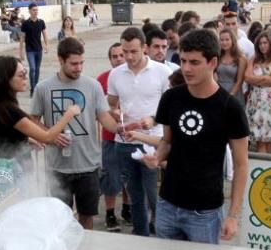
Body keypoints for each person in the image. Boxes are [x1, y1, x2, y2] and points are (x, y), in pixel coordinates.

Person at [138, 27, 249, 245]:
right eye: (184, 61)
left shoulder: (230, 107)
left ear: (213, 62)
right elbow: (167, 142)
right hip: (167, 204)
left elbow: (242, 165)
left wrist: (233, 215)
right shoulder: (171, 98)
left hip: (204, 212)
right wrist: (157, 157)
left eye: (195, 62)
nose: (187, 68)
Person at [31, 38, 119, 229]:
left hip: (88, 166)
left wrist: (122, 128)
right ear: (60, 61)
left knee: (87, 217)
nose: (79, 68)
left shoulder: (93, 85)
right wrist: (51, 135)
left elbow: (104, 119)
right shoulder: (43, 88)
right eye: (73, 63)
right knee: (60, 219)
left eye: (81, 63)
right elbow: (33, 122)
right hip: (57, 168)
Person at [106, 27, 172, 236]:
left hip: (153, 142)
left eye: (133, 51)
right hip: (124, 142)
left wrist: (153, 119)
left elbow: (171, 107)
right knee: (134, 196)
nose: (128, 56)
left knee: (154, 195)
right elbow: (112, 104)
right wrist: (116, 112)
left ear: (144, 48)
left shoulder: (163, 72)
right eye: (125, 51)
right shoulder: (116, 74)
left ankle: (162, 235)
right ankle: (141, 235)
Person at [0, 55, 79, 184]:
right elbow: (47, 137)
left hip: (4, 169)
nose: (26, 78)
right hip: (18, 169)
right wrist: (68, 114)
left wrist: (24, 139)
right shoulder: (11, 110)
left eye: (25, 73)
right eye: (21, 75)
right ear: (6, 79)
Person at [97, 43, 131, 231]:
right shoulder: (101, 80)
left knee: (129, 177)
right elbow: (97, 109)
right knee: (110, 177)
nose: (118, 59)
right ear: (110, 59)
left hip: (131, 135)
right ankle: (110, 213)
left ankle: (127, 209)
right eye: (114, 56)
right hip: (110, 137)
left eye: (121, 55)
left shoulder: (134, 77)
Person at [243, 32, 271, 154]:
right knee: (260, 139)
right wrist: (265, 78)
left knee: (269, 138)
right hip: (255, 99)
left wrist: (260, 79)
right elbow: (247, 77)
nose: (262, 46)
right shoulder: (253, 59)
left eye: (265, 43)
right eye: (260, 43)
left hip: (270, 101)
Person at [18, 4, 47, 95]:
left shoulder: (41, 22)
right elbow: (22, 38)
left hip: (39, 49)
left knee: (37, 69)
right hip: (29, 50)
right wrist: (21, 52)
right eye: (34, 10)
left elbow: (45, 34)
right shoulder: (25, 23)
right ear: (29, 11)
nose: (36, 12)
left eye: (37, 10)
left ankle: (36, 87)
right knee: (32, 68)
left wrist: (47, 45)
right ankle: (32, 89)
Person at [216, 28, 246, 98]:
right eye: (222, 40)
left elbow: (240, 81)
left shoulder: (241, 58)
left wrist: (230, 96)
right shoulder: (217, 56)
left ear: (233, 40)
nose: (224, 42)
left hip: (234, 93)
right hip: (219, 91)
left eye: (227, 39)